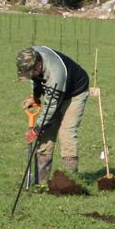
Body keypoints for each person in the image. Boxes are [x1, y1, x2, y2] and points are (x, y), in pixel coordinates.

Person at [17, 46, 90, 181]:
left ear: (38, 65)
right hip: (56, 91)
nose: (28, 76)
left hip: (75, 92)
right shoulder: (30, 56)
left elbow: (51, 106)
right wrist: (36, 96)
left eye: (29, 72)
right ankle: (41, 182)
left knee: (66, 133)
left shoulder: (55, 73)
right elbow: (37, 80)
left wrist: (37, 129)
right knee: (46, 137)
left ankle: (71, 182)